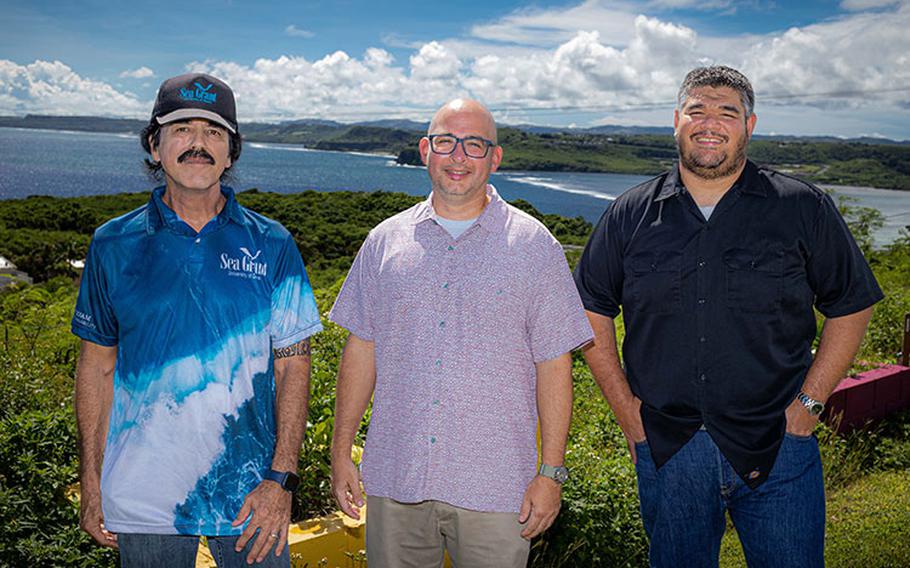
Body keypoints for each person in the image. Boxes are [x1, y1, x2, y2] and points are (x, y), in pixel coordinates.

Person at [574, 65, 883, 567]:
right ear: (677, 120)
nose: (710, 122)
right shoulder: (629, 214)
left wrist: (810, 403)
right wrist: (627, 413)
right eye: (697, 110)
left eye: (727, 112)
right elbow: (590, 311)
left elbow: (851, 303)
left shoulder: (802, 207)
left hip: (781, 444)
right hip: (669, 449)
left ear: (750, 125)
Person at [328, 98, 593, 567]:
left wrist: (551, 474)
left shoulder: (535, 247)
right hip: (396, 479)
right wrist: (340, 449)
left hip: (496, 488)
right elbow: (362, 347)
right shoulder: (384, 242)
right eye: (447, 142)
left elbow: (554, 364)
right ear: (425, 150)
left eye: (474, 145)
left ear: (495, 157)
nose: (458, 157)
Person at [72, 73, 322, 567]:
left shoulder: (272, 244)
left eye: (213, 133)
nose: (198, 145)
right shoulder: (112, 245)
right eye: (181, 129)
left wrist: (282, 479)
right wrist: (91, 480)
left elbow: (292, 364)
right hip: (143, 494)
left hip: (254, 491)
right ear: (154, 143)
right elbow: (96, 367)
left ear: (231, 152)